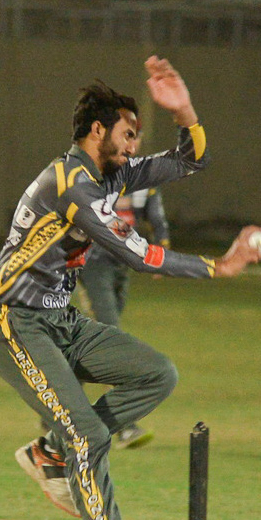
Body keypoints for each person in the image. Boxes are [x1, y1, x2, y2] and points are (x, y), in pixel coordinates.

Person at [0, 55, 261, 520]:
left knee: (158, 374)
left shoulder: (109, 175)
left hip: (59, 322)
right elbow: (136, 253)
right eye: (128, 134)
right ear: (97, 130)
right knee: (87, 433)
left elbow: (190, 161)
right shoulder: (72, 185)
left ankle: (51, 452)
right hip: (16, 326)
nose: (135, 145)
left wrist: (185, 110)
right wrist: (219, 267)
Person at [78, 128, 171, 450]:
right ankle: (123, 424)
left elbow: (156, 219)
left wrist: (161, 249)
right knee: (112, 335)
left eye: (135, 139)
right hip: (94, 264)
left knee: (95, 341)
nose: (130, 145)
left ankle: (57, 401)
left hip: (121, 266)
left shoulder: (143, 182)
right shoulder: (95, 176)